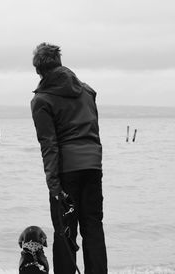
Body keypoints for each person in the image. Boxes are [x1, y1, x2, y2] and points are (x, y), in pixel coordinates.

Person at [30, 42, 108, 274]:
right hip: (93, 166)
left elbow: (49, 145)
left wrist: (54, 185)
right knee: (93, 227)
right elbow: (93, 130)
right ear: (60, 63)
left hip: (67, 171)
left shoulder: (41, 100)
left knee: (65, 232)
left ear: (38, 71)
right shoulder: (87, 92)